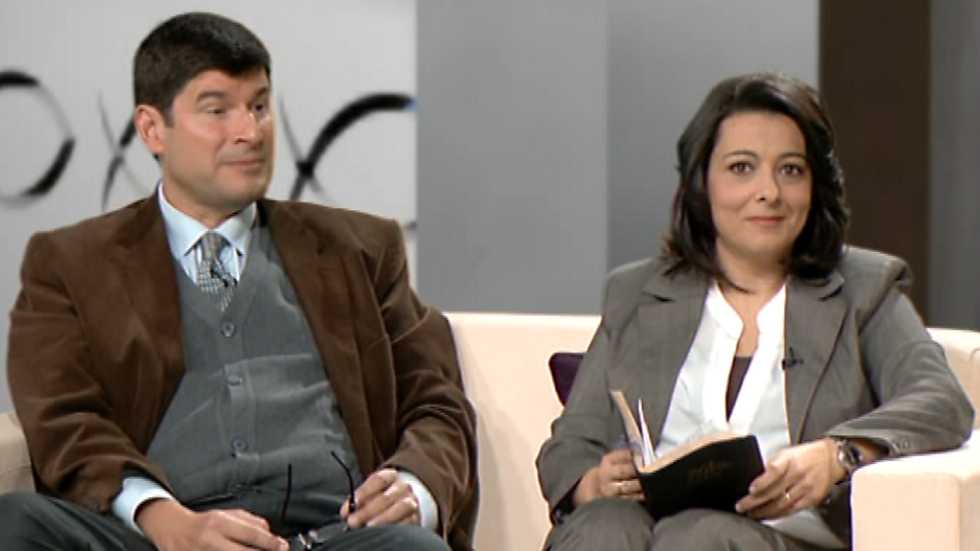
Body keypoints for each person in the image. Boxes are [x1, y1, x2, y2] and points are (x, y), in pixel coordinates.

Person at [0, 12, 477, 551]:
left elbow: (437, 400)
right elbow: (64, 420)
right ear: (152, 128)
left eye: (259, 106)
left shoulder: (361, 249)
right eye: (217, 110)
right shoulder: (70, 264)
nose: (250, 132)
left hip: (333, 538)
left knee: (412, 550)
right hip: (158, 538)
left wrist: (413, 488)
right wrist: (163, 520)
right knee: (13, 523)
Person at [536, 72, 974, 551]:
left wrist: (837, 455)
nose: (769, 191)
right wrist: (592, 483)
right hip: (645, 530)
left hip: (785, 538)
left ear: (815, 185)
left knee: (700, 536)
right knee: (602, 526)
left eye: (791, 170)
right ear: (702, 182)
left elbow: (941, 401)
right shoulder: (637, 294)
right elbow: (571, 443)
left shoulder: (864, 291)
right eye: (742, 168)